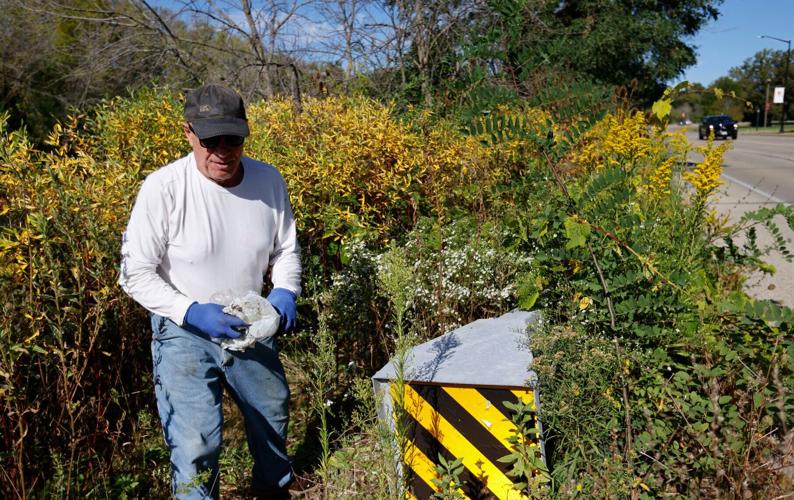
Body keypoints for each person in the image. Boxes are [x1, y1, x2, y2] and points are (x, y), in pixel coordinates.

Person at [119, 83, 301, 499]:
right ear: (188, 133)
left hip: (252, 324)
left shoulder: (268, 180)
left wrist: (286, 289)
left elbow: (286, 249)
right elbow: (134, 273)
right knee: (197, 442)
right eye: (209, 139)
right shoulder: (163, 187)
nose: (222, 150)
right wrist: (190, 311)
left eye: (232, 138)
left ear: (245, 133)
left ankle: (273, 491)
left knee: (272, 420)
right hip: (183, 332)